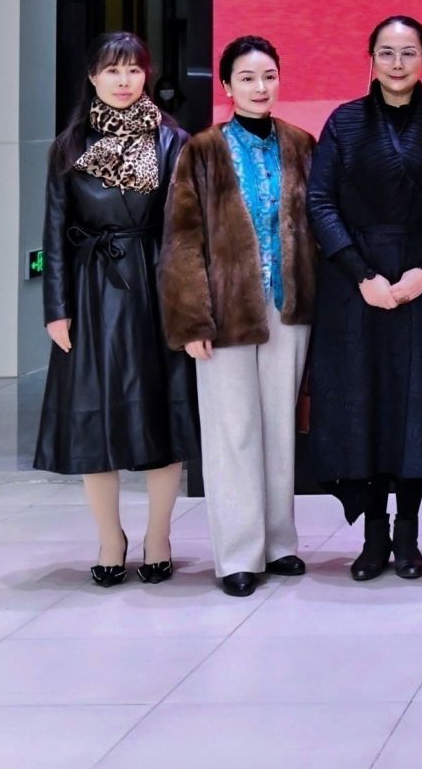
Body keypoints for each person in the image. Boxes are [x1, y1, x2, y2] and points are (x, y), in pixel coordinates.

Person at [306, 15, 422, 582]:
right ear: (370, 59)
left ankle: (408, 534)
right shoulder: (345, 122)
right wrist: (360, 273)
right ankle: (373, 534)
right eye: (387, 52)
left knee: (418, 410)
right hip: (357, 289)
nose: (398, 64)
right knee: (362, 406)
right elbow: (320, 203)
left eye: (409, 52)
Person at [35, 32, 194, 587]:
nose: (124, 81)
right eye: (112, 70)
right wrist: (56, 309)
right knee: (94, 420)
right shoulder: (68, 147)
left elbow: (187, 231)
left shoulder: (173, 141)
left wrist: (190, 306)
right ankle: (109, 539)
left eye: (133, 70)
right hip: (91, 291)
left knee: (161, 417)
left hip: (156, 287)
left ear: (147, 75)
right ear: (92, 78)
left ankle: (159, 537)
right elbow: (55, 233)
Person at [161, 36, 317, 598]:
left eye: (269, 76)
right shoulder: (202, 150)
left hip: (287, 307)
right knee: (233, 431)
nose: (260, 87)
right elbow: (182, 241)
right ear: (227, 86)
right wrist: (191, 321)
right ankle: (237, 555)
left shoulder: (301, 144)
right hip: (223, 311)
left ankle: (278, 543)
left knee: (279, 427)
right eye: (247, 78)